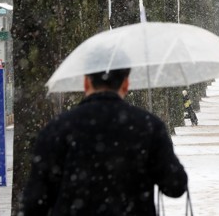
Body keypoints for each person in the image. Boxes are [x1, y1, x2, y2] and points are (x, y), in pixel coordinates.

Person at [20, 68, 188, 216]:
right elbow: (175, 186)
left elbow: (35, 201)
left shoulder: (58, 128)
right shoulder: (148, 126)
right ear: (125, 84)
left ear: (86, 82)